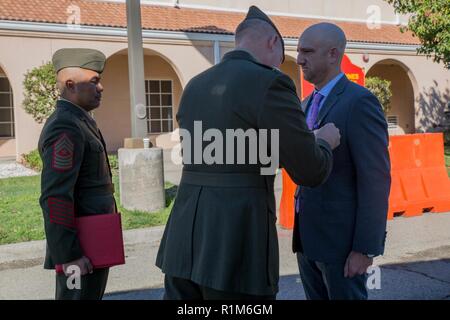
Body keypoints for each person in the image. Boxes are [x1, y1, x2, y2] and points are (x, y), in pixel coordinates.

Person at [156, 6, 341, 300]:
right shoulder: (271, 82)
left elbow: (231, 153)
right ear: (271, 43)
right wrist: (323, 142)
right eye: (280, 59)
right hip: (235, 242)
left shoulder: (196, 84)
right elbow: (310, 170)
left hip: (184, 239)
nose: (279, 68)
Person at [293, 23, 391, 300]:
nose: (299, 58)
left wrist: (365, 248)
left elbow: (375, 179)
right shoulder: (305, 103)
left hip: (343, 246)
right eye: (299, 51)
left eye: (307, 51)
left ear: (333, 54)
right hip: (307, 242)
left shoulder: (360, 102)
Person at [38, 48, 115, 300]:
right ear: (70, 85)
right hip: (80, 246)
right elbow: (56, 195)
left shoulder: (80, 120)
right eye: (94, 81)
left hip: (94, 238)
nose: (100, 87)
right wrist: (70, 255)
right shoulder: (65, 125)